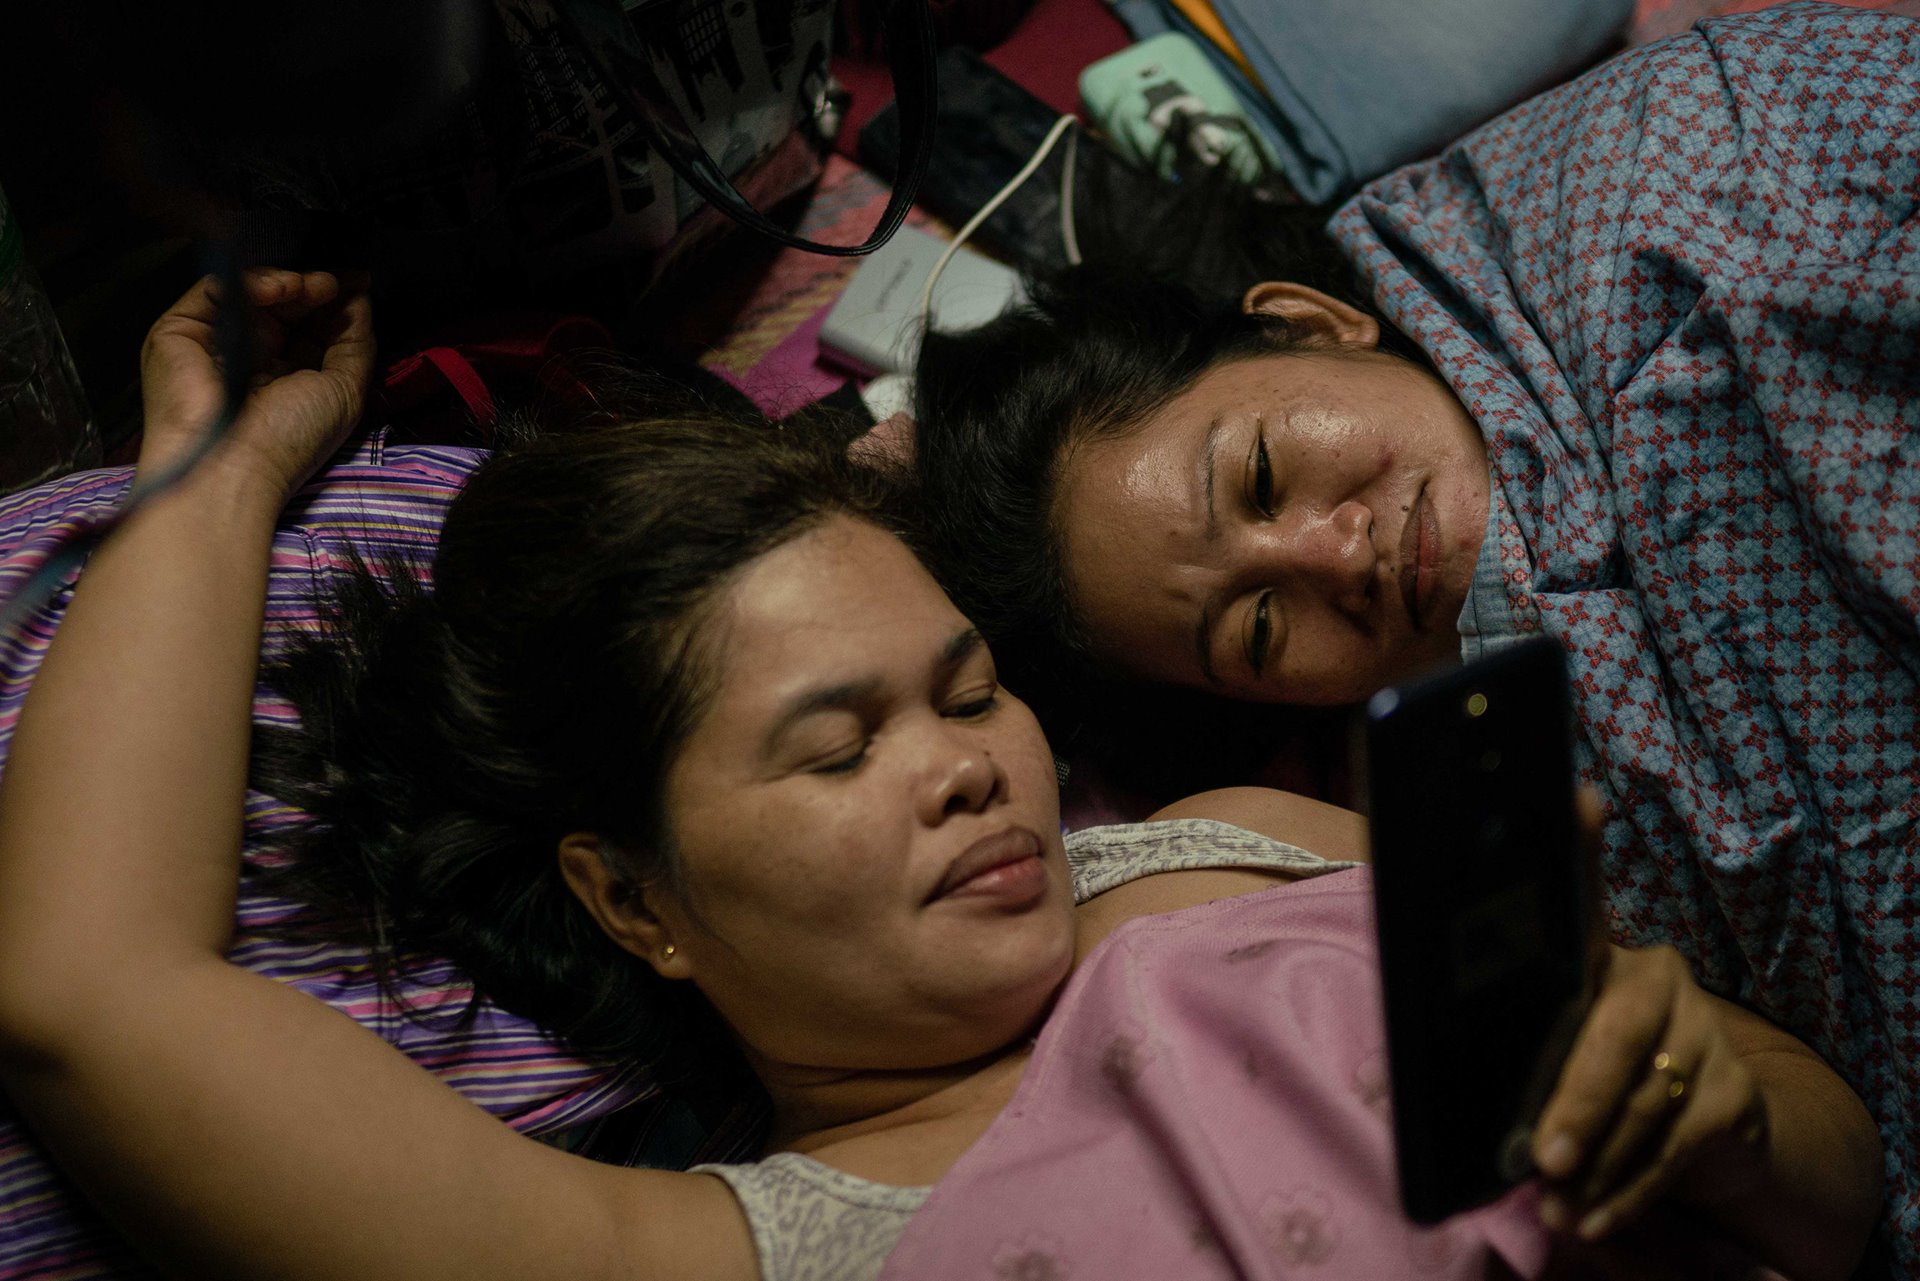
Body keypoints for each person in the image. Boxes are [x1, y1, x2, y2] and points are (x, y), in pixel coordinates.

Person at [0, 269, 1885, 1281]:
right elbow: (95, 993)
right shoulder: (708, 1255)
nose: (970, 773)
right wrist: (228, 469)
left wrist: (1719, 1108)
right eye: (841, 745)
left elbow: (1837, 1176)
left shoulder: (1263, 846)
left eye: (972, 691)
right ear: (635, 898)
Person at [902, 3, 1920, 1261]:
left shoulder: (1672, 168)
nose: (1339, 557)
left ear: (1307, 322)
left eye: (1266, 474)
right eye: (1260, 628)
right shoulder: (1482, 822)